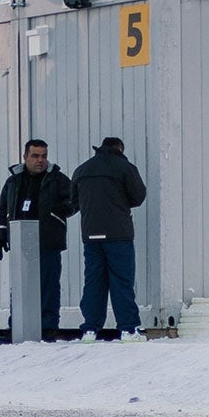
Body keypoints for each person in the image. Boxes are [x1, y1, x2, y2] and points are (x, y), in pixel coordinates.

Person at [0, 138, 74, 338]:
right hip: (21, 241)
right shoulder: (13, 181)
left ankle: (47, 328)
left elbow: (74, 199)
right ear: (25, 157)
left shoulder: (57, 179)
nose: (40, 160)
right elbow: (2, 209)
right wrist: (0, 235)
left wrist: (60, 211)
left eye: (44, 156)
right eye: (35, 156)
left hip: (48, 240)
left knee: (48, 285)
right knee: (21, 286)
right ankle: (17, 327)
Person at [71, 135, 147, 340]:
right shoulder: (125, 167)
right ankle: (128, 329)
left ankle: (89, 329)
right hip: (118, 234)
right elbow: (138, 196)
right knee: (122, 281)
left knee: (94, 281)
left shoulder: (82, 169)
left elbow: (73, 200)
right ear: (120, 149)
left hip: (90, 235)